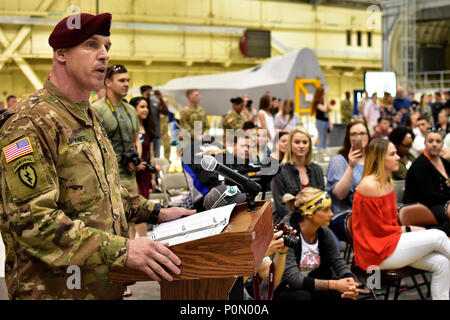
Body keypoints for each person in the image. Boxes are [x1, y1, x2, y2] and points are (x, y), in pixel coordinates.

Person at [0, 12, 195, 300]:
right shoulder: (29, 122)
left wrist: (156, 212)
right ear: (61, 53)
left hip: (101, 286)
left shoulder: (88, 116)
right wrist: (123, 250)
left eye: (107, 46)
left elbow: (103, 195)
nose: (104, 55)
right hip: (56, 292)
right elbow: (33, 223)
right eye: (91, 45)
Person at [352, 138, 450, 300]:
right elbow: (378, 230)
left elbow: (389, 224)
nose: (398, 157)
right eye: (392, 154)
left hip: (389, 242)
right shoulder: (369, 185)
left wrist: (407, 230)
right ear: (378, 159)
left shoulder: (386, 181)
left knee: (442, 263)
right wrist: (409, 229)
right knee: (438, 236)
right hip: (374, 252)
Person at [273, 188, 360, 300]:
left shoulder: (324, 232)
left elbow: (338, 262)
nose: (331, 214)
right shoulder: (288, 233)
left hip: (314, 286)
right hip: (286, 288)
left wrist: (349, 282)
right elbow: (293, 279)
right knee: (302, 297)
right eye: (326, 210)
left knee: (346, 296)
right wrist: (335, 284)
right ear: (309, 214)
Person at [326, 119, 370, 241]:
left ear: (368, 136)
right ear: (348, 138)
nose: (358, 137)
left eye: (362, 133)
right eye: (353, 134)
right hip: (344, 215)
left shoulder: (373, 160)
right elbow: (339, 194)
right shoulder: (340, 160)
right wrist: (351, 166)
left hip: (369, 213)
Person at [271, 128, 325, 225]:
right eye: (297, 142)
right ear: (290, 145)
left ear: (309, 145)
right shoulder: (279, 171)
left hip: (315, 222)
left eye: (305, 142)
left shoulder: (317, 170)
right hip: (289, 224)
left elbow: (322, 199)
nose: (301, 146)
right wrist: (303, 223)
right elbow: (281, 207)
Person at [404, 128, 450, 234]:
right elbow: (428, 195)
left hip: (442, 203)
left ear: (442, 144)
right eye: (430, 141)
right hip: (423, 206)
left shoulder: (445, 162)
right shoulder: (420, 165)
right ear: (425, 143)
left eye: (438, 141)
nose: (434, 144)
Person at [130, 97, 156, 199]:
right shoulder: (130, 129)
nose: (146, 110)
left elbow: (152, 156)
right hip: (132, 173)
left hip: (145, 173)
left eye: (147, 107)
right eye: (142, 107)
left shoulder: (148, 129)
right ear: (133, 109)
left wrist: (153, 178)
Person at [140, 85, 169, 158]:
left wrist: (160, 98)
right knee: (145, 155)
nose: (150, 93)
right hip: (146, 133)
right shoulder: (140, 103)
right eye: (148, 91)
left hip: (156, 133)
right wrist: (145, 98)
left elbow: (165, 112)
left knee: (156, 157)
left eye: (150, 91)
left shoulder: (155, 101)